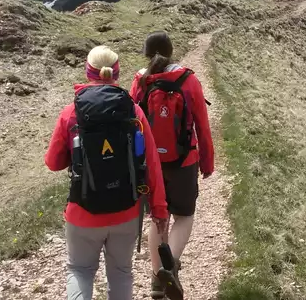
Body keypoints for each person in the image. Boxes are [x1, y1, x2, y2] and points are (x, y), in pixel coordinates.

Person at [45, 45, 169, 300]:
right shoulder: (133, 111)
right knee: (121, 272)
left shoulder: (71, 113)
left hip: (83, 211)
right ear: (117, 72)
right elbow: (152, 163)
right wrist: (159, 209)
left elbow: (53, 163)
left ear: (87, 72)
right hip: (126, 211)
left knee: (80, 270)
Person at [129, 31, 215, 300]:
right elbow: (202, 125)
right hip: (183, 161)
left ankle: (157, 280)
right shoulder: (187, 81)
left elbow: (132, 126)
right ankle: (170, 265)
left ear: (146, 53)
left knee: (158, 217)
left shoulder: (140, 82)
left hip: (150, 165)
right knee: (185, 216)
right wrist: (207, 162)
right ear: (171, 51)